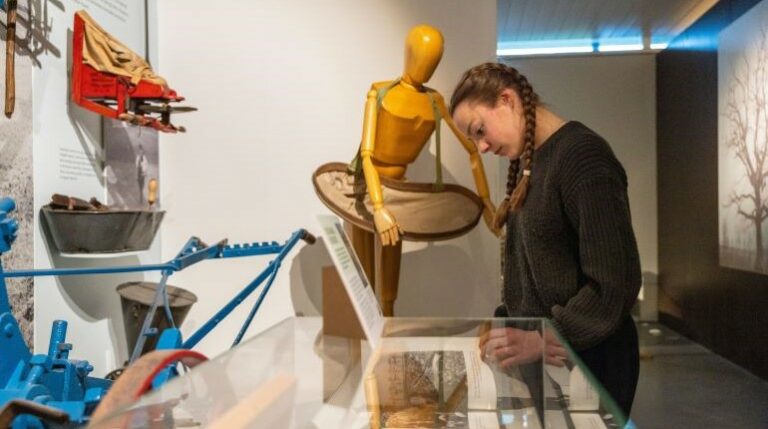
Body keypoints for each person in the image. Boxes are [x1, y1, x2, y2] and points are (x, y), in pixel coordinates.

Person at [450, 62, 642, 416]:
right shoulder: (531, 162)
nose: (482, 146)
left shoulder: (582, 157)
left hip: (593, 365)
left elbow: (614, 282)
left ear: (507, 100)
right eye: (474, 140)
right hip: (554, 363)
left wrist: (545, 337)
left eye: (480, 130)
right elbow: (532, 269)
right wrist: (505, 325)